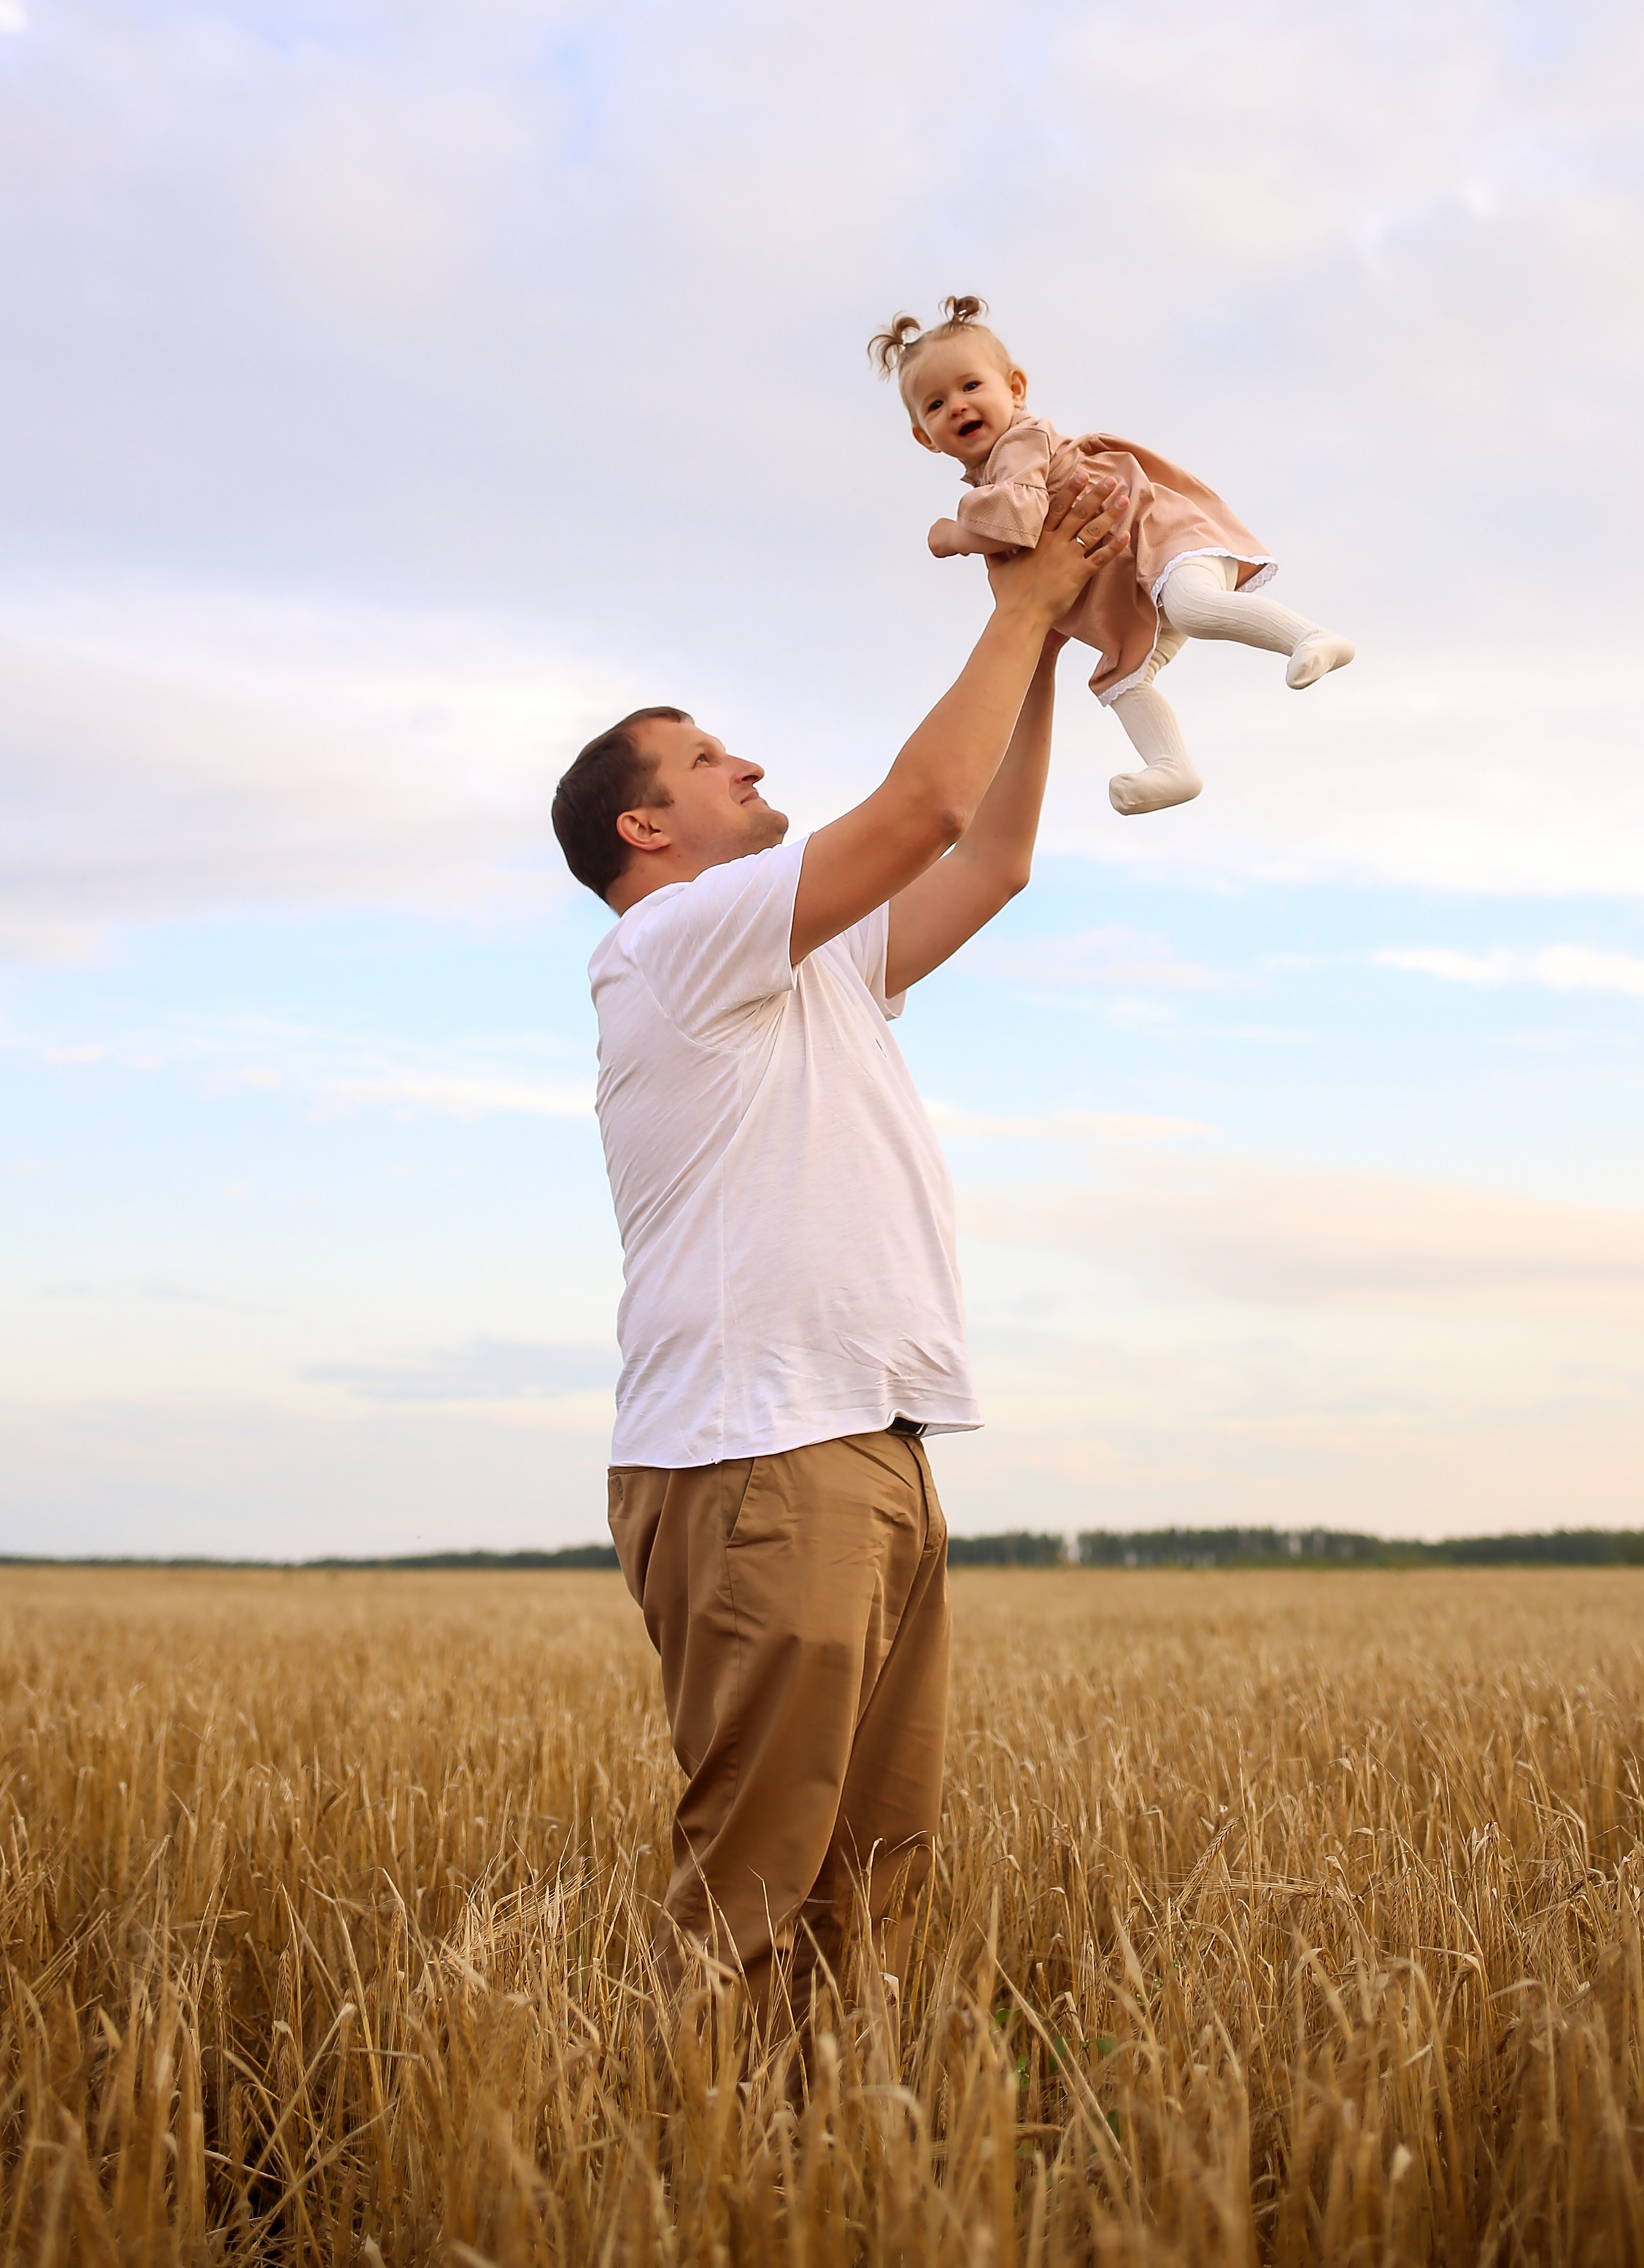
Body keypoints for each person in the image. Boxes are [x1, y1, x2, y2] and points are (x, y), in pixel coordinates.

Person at [549, 464, 1132, 2026]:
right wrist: (1019, 601)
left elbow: (989, 857)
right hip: (758, 1452)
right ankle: (674, 2147)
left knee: (867, 1886)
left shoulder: (803, 960)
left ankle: (816, 2149)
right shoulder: (673, 941)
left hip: (863, 1439)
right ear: (643, 826)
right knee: (750, 1892)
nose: (745, 761)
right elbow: (922, 810)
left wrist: (1048, 636)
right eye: (703, 758)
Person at [874, 294, 1354, 815]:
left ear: (1015, 389)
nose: (957, 406)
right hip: (1138, 588)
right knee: (1125, 682)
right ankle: (1173, 767)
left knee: (1193, 608)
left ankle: (1310, 637)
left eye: (971, 386)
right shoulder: (996, 474)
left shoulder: (1021, 443)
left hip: (1161, 543)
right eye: (936, 404)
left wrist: (954, 536)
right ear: (925, 438)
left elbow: (1017, 521)